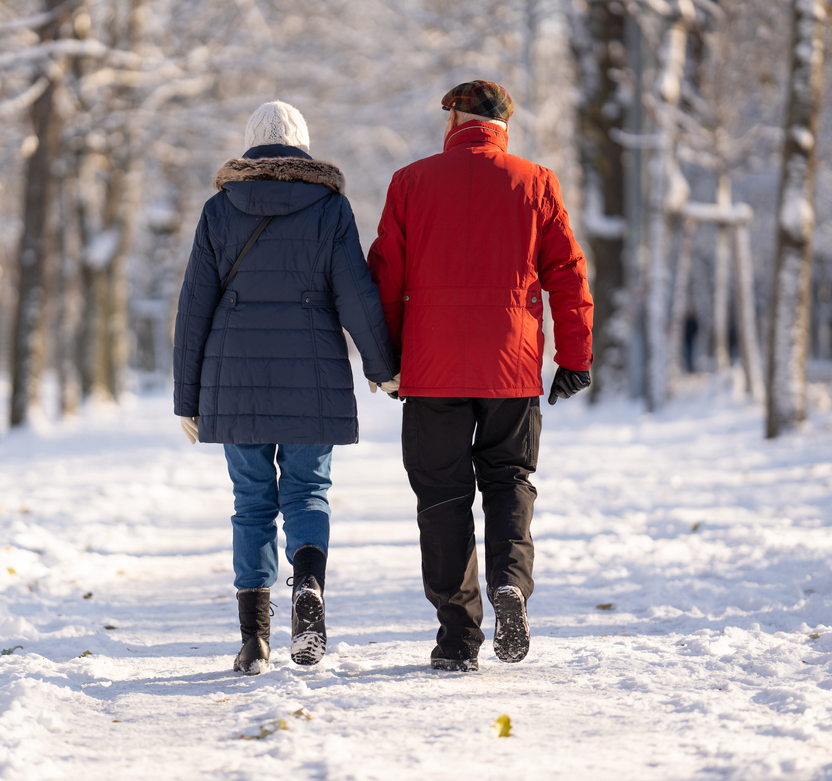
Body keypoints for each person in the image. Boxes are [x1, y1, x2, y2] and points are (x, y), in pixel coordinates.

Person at [367, 80, 594, 671]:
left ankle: (458, 636)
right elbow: (567, 274)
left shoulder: (411, 183)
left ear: (454, 121)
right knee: (510, 480)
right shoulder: (536, 181)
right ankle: (510, 587)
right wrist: (575, 357)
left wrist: (385, 360)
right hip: (511, 370)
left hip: (433, 369)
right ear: (503, 127)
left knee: (442, 498)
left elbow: (385, 278)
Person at [173, 101, 399, 675]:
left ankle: (254, 639)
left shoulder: (220, 210)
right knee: (307, 492)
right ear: (302, 145)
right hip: (312, 370)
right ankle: (310, 586)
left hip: (234, 376)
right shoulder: (331, 208)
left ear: (252, 146)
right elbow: (355, 292)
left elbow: (195, 304)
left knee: (251, 504)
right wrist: (381, 366)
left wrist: (187, 396)